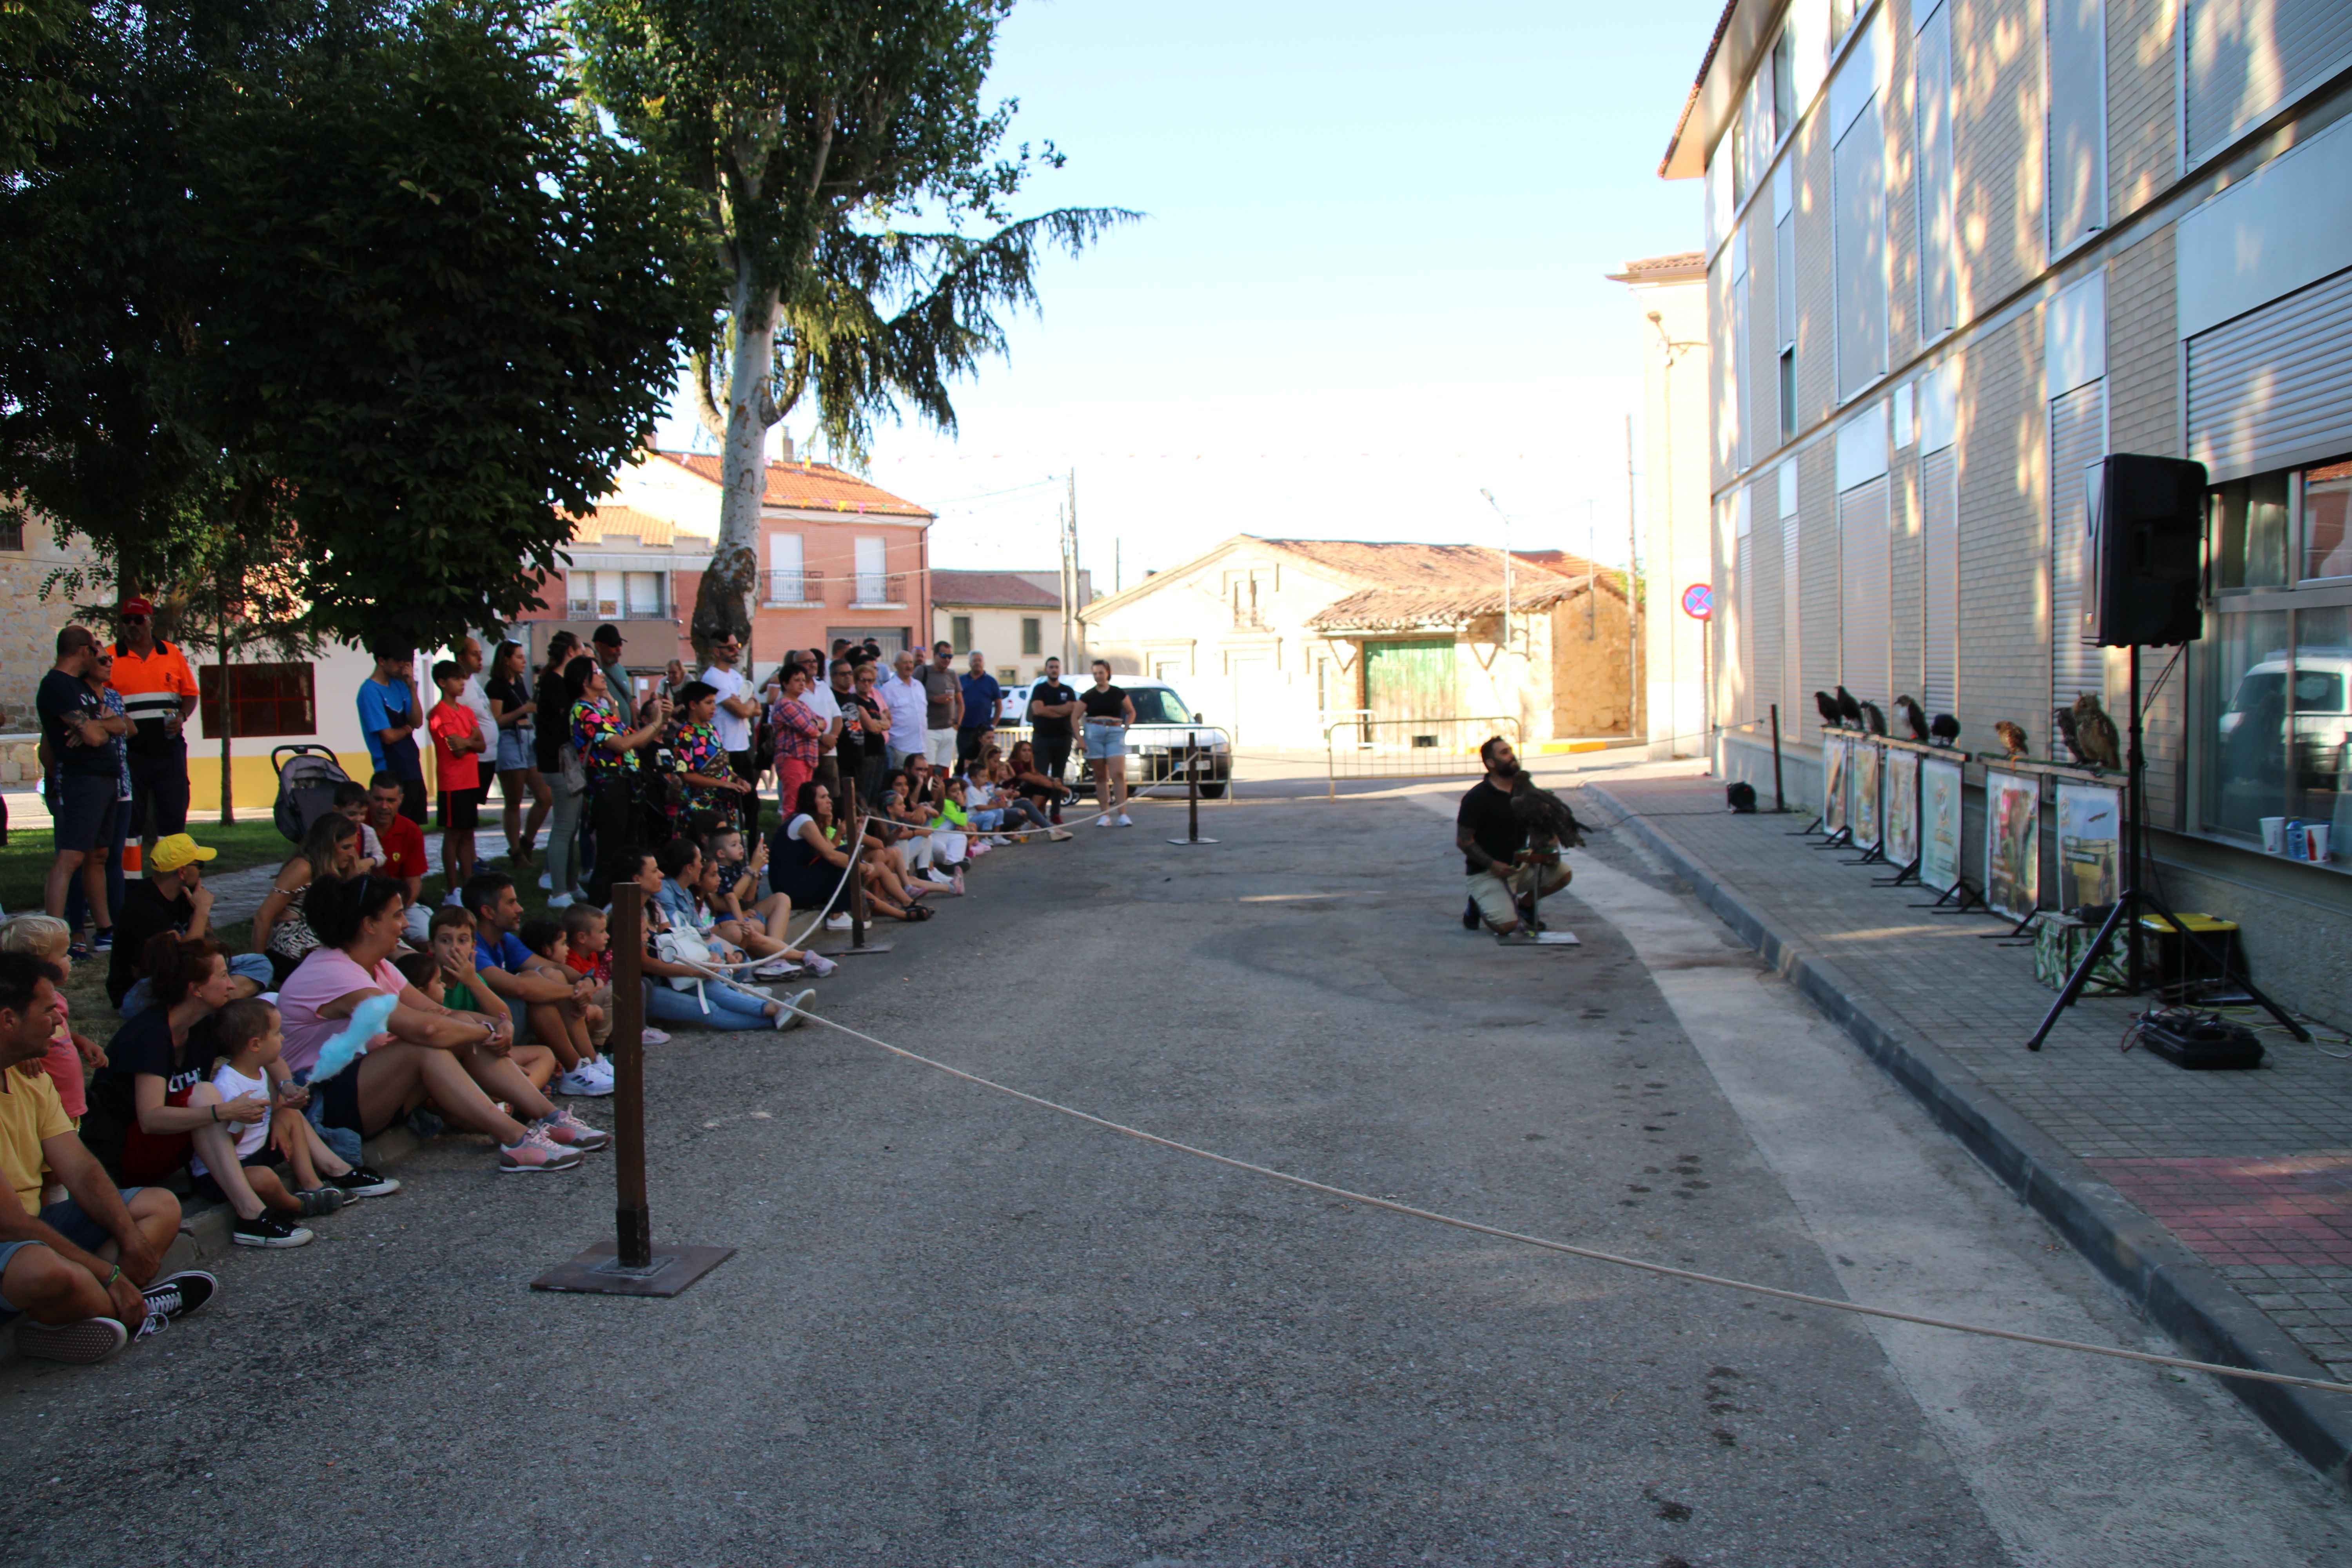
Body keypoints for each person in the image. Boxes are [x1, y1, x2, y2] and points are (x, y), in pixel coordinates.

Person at [277, 875, 597, 1172]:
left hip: (366, 1089)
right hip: (319, 1102)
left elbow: (440, 1015)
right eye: (397, 915)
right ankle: (516, 1138)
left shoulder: (379, 967)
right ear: (370, 925)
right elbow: (424, 1029)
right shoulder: (334, 972)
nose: (404, 925)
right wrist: (485, 1030)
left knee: (453, 1029)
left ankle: (550, 1118)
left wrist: (499, 1025)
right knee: (425, 1047)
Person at [0, 951, 218, 1364]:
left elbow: (80, 1168)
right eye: (49, 1010)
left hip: (32, 1227)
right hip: (13, 1237)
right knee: (43, 1267)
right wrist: (111, 1272)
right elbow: (9, 1222)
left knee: (159, 1205)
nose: (61, 1021)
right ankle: (138, 1308)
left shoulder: (30, 1074)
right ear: (9, 1019)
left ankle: (70, 1322)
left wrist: (130, 1237)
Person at [93, 935, 311, 1247]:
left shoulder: (201, 1025)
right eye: (223, 976)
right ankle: (251, 1214)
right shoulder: (149, 1035)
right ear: (196, 989)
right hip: (127, 1155)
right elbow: (150, 1119)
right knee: (205, 1094)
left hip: (172, 1149)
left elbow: (262, 1045)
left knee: (206, 1096)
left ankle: (324, 1177)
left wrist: (286, 1087)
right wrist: (221, 1112)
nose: (232, 986)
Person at [187, 999, 352, 1223]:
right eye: (277, 1034)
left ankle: (312, 1184)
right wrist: (242, 1119)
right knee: (265, 1179)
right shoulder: (228, 1085)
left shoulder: (260, 1070)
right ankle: (298, 1206)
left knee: (290, 1115)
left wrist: (281, 1117)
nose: (282, 1038)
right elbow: (231, 1139)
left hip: (258, 1151)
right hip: (226, 1172)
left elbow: (273, 1111)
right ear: (255, 1044)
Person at [617, 851, 815, 1032]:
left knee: (712, 984)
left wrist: (705, 958)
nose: (661, 875)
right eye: (654, 871)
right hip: (646, 987)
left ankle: (777, 1010)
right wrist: (694, 970)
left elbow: (674, 941)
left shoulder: (654, 906)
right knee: (707, 1009)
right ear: (637, 879)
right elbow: (645, 963)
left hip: (673, 976)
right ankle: (777, 1013)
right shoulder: (624, 912)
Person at [461, 871, 610, 1098]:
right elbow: (519, 988)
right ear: (488, 912)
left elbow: (557, 969)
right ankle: (574, 1070)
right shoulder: (472, 947)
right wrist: (574, 991)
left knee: (550, 976)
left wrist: (585, 981)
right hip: (486, 1031)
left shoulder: (504, 940)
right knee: (535, 989)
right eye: (511, 903)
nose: (520, 909)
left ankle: (589, 1063)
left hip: (507, 1025)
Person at [109, 834, 272, 1014]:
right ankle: (215, 1005)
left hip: (181, 978)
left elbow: (210, 947)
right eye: (200, 865)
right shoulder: (144, 907)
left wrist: (200, 912)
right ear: (182, 872)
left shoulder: (183, 895)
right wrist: (201, 910)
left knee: (260, 963)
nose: (202, 871)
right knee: (193, 978)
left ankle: (218, 1004)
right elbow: (182, 960)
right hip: (141, 989)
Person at [39, 626, 127, 924]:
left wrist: (93, 726)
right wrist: (94, 727)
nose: (100, 657)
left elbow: (118, 725)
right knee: (71, 857)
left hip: (106, 777)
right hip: (82, 780)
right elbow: (93, 737)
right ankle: (54, 931)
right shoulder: (56, 686)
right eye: (95, 651)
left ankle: (105, 929)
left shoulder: (82, 687)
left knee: (99, 854)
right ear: (82, 651)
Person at [569, 654, 668, 906]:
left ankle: (625, 912)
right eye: (596, 671)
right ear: (583, 681)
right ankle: (597, 915)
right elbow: (622, 744)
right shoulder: (583, 710)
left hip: (626, 787)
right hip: (609, 788)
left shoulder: (599, 709)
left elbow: (637, 739)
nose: (602, 674)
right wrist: (655, 722)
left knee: (628, 854)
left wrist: (614, 704)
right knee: (610, 856)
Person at [105, 596, 200, 853]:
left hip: (169, 749)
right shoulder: (110, 657)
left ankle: (171, 881)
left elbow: (190, 693)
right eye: (127, 620)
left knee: (174, 814)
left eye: (139, 619)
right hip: (130, 752)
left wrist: (182, 716)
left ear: (151, 621)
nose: (133, 625)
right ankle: (131, 883)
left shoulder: (171, 653)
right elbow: (100, 700)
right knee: (129, 820)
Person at [1455, 736, 1571, 937]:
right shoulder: (1477, 798)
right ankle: (1477, 900)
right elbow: (1463, 841)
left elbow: (1541, 826)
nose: (1512, 756)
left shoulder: (1525, 792)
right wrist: (1493, 865)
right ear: (1491, 764)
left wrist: (1549, 848)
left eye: (1511, 751)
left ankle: (1525, 906)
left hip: (1518, 868)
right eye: (1504, 753)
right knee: (1507, 927)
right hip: (1487, 872)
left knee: (1563, 874)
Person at [64, 641, 132, 951]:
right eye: (102, 659)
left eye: (110, 660)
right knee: (77, 858)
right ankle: (74, 930)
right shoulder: (75, 696)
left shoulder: (114, 697)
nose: (108, 663)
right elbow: (91, 736)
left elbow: (127, 728)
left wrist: (101, 726)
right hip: (85, 784)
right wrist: (104, 727)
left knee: (108, 857)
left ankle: (111, 926)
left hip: (119, 786)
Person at [253, 813, 367, 985]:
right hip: (292, 946)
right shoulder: (303, 868)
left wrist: (352, 880)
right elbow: (263, 916)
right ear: (327, 846)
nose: (352, 854)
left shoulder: (337, 869)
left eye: (354, 846)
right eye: (346, 848)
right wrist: (258, 969)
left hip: (319, 938)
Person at [485, 639, 551, 869]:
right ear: (506, 660)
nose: (524, 661)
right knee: (513, 801)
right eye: (519, 657)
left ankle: (527, 842)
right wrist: (523, 710)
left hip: (527, 737)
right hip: (509, 739)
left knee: (545, 796)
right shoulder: (495, 686)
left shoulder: (520, 681)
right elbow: (496, 720)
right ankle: (515, 852)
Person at [427, 659, 487, 902]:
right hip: (453, 782)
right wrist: (470, 741)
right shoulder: (439, 714)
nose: (462, 683)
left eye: (463, 678)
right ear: (442, 683)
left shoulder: (467, 712)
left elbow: (481, 745)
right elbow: (457, 750)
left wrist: (469, 741)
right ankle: (453, 890)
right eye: (456, 679)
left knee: (468, 833)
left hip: (471, 778)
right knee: (453, 834)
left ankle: (468, 884)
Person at [532, 633, 586, 903]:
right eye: (580, 649)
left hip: (560, 763)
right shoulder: (557, 683)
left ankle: (570, 884)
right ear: (570, 651)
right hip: (559, 764)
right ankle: (559, 890)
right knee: (564, 828)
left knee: (570, 827)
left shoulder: (554, 681)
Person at [701, 631, 764, 835]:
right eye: (730, 647)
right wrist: (747, 704)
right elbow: (742, 711)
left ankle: (751, 851)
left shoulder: (736, 676)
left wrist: (748, 703)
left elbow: (757, 709)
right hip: (724, 749)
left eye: (737, 646)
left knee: (751, 805)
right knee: (731, 806)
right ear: (716, 651)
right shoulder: (712, 677)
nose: (735, 651)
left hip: (741, 748)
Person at [666, 681, 750, 831]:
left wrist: (737, 779)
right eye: (708, 703)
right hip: (700, 806)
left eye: (714, 702)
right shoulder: (685, 733)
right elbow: (686, 775)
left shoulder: (712, 729)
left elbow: (722, 764)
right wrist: (724, 784)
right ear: (693, 705)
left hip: (722, 804)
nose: (714, 707)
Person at [356, 644, 426, 824]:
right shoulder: (370, 692)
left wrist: (412, 687)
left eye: (405, 663)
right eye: (397, 663)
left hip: (412, 768)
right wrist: (407, 729)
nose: (402, 668)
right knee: (393, 829)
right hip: (390, 770)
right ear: (381, 661)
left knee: (413, 828)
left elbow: (418, 721)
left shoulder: (400, 686)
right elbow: (388, 737)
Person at [766, 664, 827, 821]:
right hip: (792, 759)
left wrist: (815, 724)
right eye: (797, 680)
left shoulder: (802, 705)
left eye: (803, 680)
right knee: (792, 806)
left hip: (807, 759)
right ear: (785, 684)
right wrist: (815, 725)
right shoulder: (784, 704)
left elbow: (824, 722)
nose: (802, 684)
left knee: (806, 805)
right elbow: (810, 729)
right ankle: (788, 841)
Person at [1080, 659, 1135, 828]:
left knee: (1118, 773)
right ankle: (1104, 815)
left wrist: (1126, 727)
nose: (1098, 676)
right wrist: (1079, 738)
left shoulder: (1118, 693)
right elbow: (1075, 716)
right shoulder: (1088, 695)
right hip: (1094, 732)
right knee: (1100, 775)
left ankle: (1123, 814)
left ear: (1108, 673)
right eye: (1095, 673)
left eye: (1101, 673)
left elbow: (1131, 711)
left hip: (1114, 732)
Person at [1025, 657, 1079, 816]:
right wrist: (1062, 710)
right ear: (1046, 669)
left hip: (1063, 739)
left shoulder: (1068, 690)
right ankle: (1038, 813)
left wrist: (1049, 709)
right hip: (1043, 739)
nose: (1054, 670)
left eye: (1056, 667)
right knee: (1040, 776)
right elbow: (1038, 710)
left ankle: (1056, 813)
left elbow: (1073, 710)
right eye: (1051, 667)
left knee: (1058, 777)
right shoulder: (1040, 689)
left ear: (1060, 669)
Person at [919, 641, 964, 767]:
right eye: (944, 656)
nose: (947, 660)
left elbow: (961, 702)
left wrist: (957, 724)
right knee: (929, 767)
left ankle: (943, 787)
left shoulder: (952, 674)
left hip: (949, 729)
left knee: (944, 767)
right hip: (930, 729)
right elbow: (913, 696)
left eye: (950, 657)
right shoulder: (923, 671)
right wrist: (934, 699)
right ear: (935, 655)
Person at [956, 650, 1002, 768]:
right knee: (964, 759)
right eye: (974, 660)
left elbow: (999, 705)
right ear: (970, 663)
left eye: (979, 660)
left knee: (984, 759)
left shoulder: (991, 682)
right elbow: (955, 702)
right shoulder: (961, 680)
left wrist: (993, 726)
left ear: (984, 663)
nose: (977, 663)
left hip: (983, 730)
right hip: (964, 729)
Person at [592, 623, 632, 701]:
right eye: (613, 644)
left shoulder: (621, 669)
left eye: (620, 644)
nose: (619, 649)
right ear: (599, 646)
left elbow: (629, 700)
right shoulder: (592, 672)